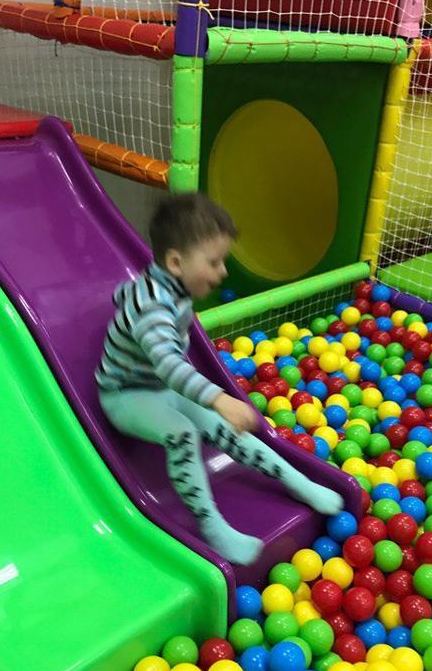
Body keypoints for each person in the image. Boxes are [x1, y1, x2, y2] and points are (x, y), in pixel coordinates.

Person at [96, 192, 343, 565]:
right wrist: (219, 398)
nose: (223, 271)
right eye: (213, 262)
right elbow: (170, 365)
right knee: (183, 433)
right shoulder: (151, 307)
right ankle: (212, 525)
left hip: (160, 387)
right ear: (176, 262)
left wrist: (216, 406)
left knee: (226, 429)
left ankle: (298, 483)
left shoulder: (169, 286)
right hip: (126, 394)